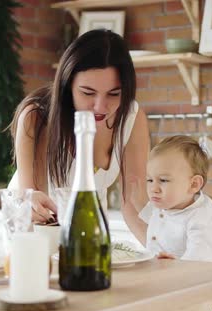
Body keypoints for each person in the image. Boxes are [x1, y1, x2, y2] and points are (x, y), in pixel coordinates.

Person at [8, 29, 149, 244]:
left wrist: (160, 249)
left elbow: (133, 203)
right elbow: (39, 209)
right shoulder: (37, 118)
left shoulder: (131, 116)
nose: (100, 106)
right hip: (34, 231)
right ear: (67, 86)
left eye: (114, 93)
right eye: (87, 93)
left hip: (88, 230)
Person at [136, 135, 212, 311]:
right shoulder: (162, 205)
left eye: (163, 180)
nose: (153, 188)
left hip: (198, 292)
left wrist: (176, 266)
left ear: (194, 185)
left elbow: (201, 257)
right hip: (162, 288)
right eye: (149, 180)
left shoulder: (202, 215)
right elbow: (139, 214)